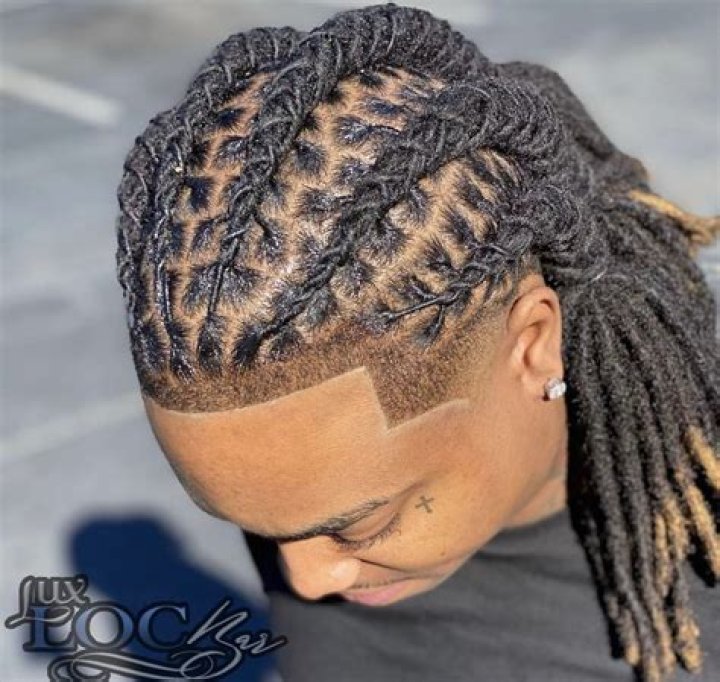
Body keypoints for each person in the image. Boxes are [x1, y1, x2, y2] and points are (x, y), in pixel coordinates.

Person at [113, 4, 719, 681]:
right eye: (254, 524)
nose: (306, 580)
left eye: (361, 527)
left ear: (533, 346)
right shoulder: (302, 491)